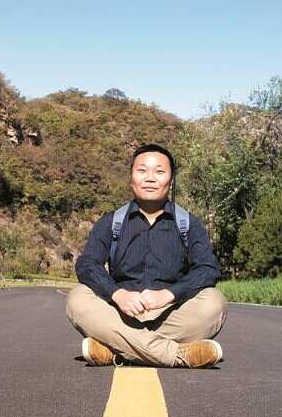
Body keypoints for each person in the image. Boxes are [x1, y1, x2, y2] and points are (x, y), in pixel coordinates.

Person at [65, 143, 228, 368]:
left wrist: (168, 295)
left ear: (171, 181)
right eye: (142, 170)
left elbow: (208, 269)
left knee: (214, 303)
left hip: (171, 314)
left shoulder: (188, 223)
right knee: (78, 299)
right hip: (120, 313)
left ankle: (118, 350)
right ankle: (178, 355)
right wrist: (117, 294)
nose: (150, 178)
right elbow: (87, 264)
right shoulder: (111, 222)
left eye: (159, 172)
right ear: (131, 177)